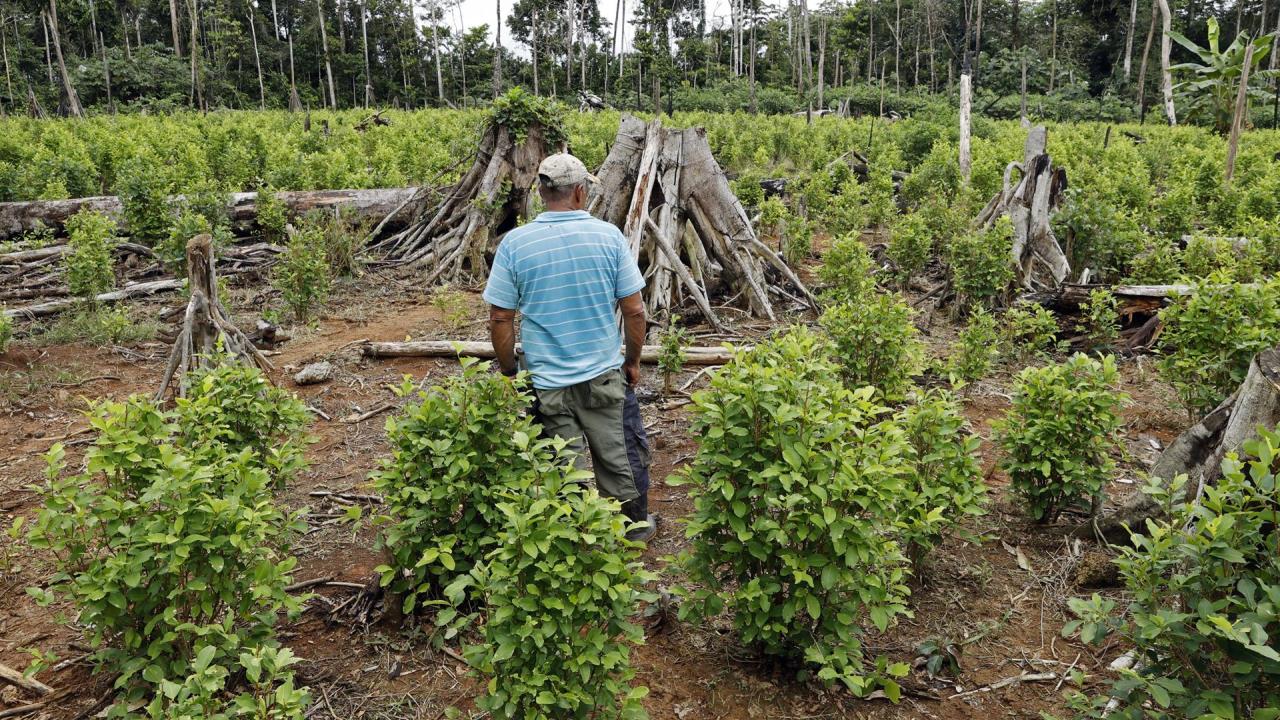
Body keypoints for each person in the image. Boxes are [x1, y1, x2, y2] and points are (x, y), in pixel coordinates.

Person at [483, 152, 657, 542]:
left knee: (562, 467)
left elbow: (500, 318)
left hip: (547, 383)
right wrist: (632, 361)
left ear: (541, 192)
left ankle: (574, 541)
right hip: (604, 376)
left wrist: (510, 371)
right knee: (621, 455)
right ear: (579, 192)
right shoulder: (608, 237)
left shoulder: (515, 244)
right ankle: (633, 531)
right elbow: (634, 310)